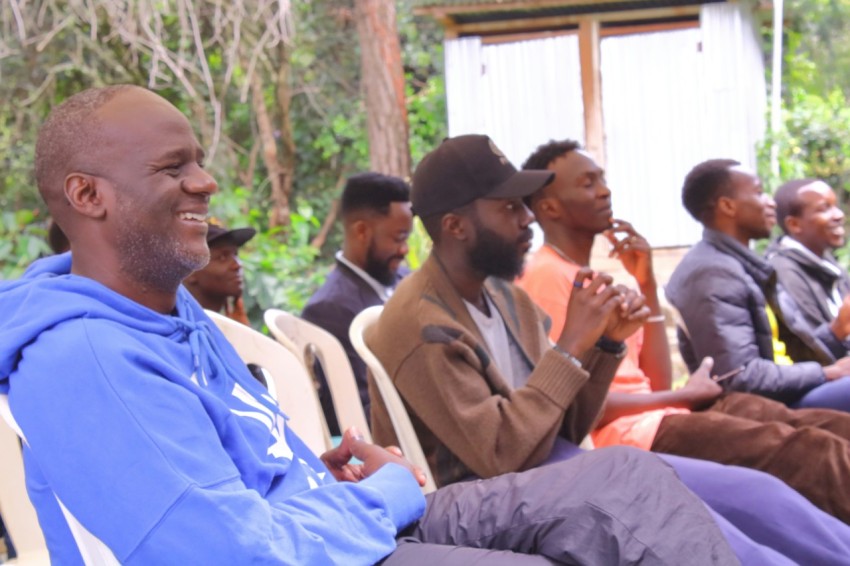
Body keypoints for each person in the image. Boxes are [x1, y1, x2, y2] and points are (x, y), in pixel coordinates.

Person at [0, 86, 742, 565]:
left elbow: (226, 466)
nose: (206, 183)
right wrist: (388, 494)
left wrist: (303, 469)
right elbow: (228, 556)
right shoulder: (84, 355)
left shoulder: (164, 310)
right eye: (173, 169)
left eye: (198, 161)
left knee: (624, 483)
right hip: (325, 544)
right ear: (88, 195)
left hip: (332, 523)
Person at [367, 134, 850, 565]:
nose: (527, 217)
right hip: (486, 497)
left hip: (559, 461)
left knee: (756, 494)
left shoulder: (503, 296)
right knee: (697, 527)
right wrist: (574, 343)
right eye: (509, 207)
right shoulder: (423, 325)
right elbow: (499, 458)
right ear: (455, 226)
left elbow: (569, 426)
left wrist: (605, 342)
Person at [517, 138, 850, 522]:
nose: (605, 190)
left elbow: (654, 380)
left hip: (663, 413)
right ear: (549, 207)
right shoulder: (546, 277)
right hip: (631, 436)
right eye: (588, 183)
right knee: (808, 452)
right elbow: (584, 409)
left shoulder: (588, 276)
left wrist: (646, 285)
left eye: (602, 179)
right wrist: (687, 393)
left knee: (824, 426)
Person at [666, 159, 850, 412]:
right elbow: (739, 376)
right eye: (759, 193)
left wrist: (836, 331)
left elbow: (789, 352)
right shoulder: (712, 272)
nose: (771, 202)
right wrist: (827, 372)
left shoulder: (742, 265)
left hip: (788, 391)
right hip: (763, 408)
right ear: (728, 206)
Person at [301, 173, 412, 434]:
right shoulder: (329, 310)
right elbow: (359, 413)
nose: (405, 249)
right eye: (398, 238)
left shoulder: (407, 280)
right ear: (361, 231)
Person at [767, 178, 850, 333]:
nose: (839, 215)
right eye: (824, 209)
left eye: (836, 207)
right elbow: (808, 345)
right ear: (794, 224)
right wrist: (839, 328)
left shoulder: (828, 265)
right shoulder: (783, 273)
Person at [184, 219, 256, 325]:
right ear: (190, 272)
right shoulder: (176, 328)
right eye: (222, 257)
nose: (237, 265)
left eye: (236, 255)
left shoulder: (229, 325)